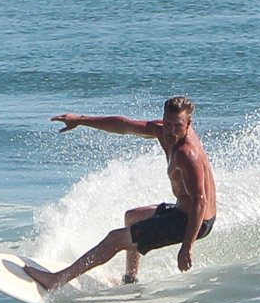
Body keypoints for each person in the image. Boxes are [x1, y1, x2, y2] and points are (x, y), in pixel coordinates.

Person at [25, 96, 217, 291]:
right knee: (132, 216)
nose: (171, 131)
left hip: (193, 220)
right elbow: (124, 125)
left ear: (188, 124)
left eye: (178, 126)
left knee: (115, 239)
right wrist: (81, 120)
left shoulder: (187, 154)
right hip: (183, 210)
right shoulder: (161, 131)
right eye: (168, 124)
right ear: (163, 118)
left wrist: (187, 247)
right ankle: (130, 279)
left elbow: (200, 201)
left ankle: (56, 280)